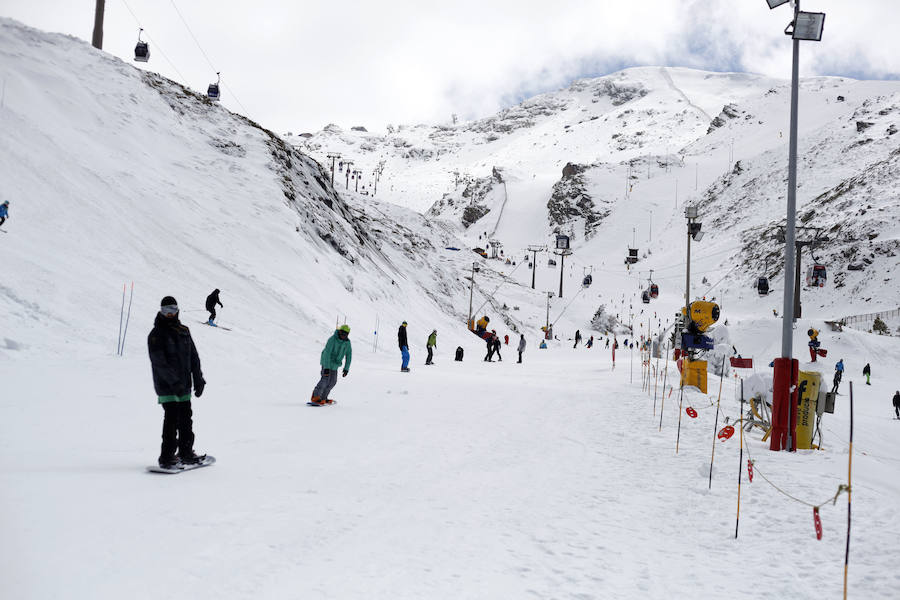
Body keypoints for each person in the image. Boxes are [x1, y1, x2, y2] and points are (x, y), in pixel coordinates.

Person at [147, 296, 206, 469]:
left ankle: (186, 452)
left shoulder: (184, 331)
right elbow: (159, 363)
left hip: (184, 384)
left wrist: (199, 378)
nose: (170, 314)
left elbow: (193, 356)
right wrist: (174, 384)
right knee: (172, 419)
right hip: (167, 387)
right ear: (161, 311)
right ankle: (166, 457)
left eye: (173, 310)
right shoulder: (156, 334)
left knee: (186, 419)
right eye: (166, 310)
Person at [310, 324, 351, 405]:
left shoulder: (347, 343)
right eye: (342, 333)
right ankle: (316, 396)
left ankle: (323, 397)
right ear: (339, 332)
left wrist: (346, 368)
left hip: (335, 365)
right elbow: (327, 354)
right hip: (326, 362)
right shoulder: (332, 340)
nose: (343, 335)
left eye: (346, 334)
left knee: (333, 381)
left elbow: (349, 355)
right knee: (325, 380)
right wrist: (326, 368)